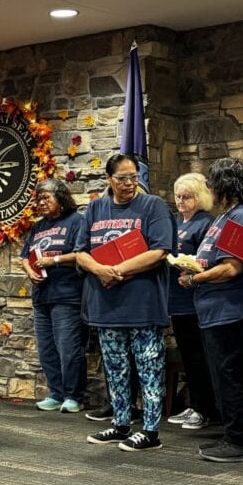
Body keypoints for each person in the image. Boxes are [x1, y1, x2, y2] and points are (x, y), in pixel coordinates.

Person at [179, 158, 243, 463]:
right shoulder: (224, 217)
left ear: (225, 185)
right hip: (215, 310)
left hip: (232, 309)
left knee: (229, 375)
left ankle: (241, 442)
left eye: (212, 183)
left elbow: (233, 268)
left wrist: (194, 279)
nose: (209, 188)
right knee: (222, 375)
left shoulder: (242, 216)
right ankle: (232, 436)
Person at [77, 154, 174, 452]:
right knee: (115, 368)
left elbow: (160, 250)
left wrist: (117, 270)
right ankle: (121, 424)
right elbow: (81, 252)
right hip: (106, 305)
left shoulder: (153, 206)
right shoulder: (96, 208)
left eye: (134, 177)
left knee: (149, 368)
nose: (130, 183)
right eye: (122, 178)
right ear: (108, 179)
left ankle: (151, 431)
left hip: (143, 305)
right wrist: (99, 270)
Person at [21, 178, 87, 413]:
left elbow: (82, 254)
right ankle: (56, 394)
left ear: (61, 198)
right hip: (41, 296)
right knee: (47, 349)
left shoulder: (76, 221)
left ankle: (74, 396)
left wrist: (54, 260)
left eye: (46, 198)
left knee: (68, 349)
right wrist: (30, 271)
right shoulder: (38, 227)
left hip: (67, 296)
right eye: (38, 199)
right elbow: (24, 256)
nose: (41, 203)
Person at [164, 172, 218, 431]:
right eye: (177, 196)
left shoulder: (205, 222)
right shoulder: (175, 221)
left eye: (186, 197)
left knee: (199, 358)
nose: (180, 201)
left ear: (200, 197)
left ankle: (206, 409)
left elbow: (208, 257)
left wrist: (189, 263)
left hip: (196, 299)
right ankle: (195, 404)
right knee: (188, 356)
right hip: (177, 298)